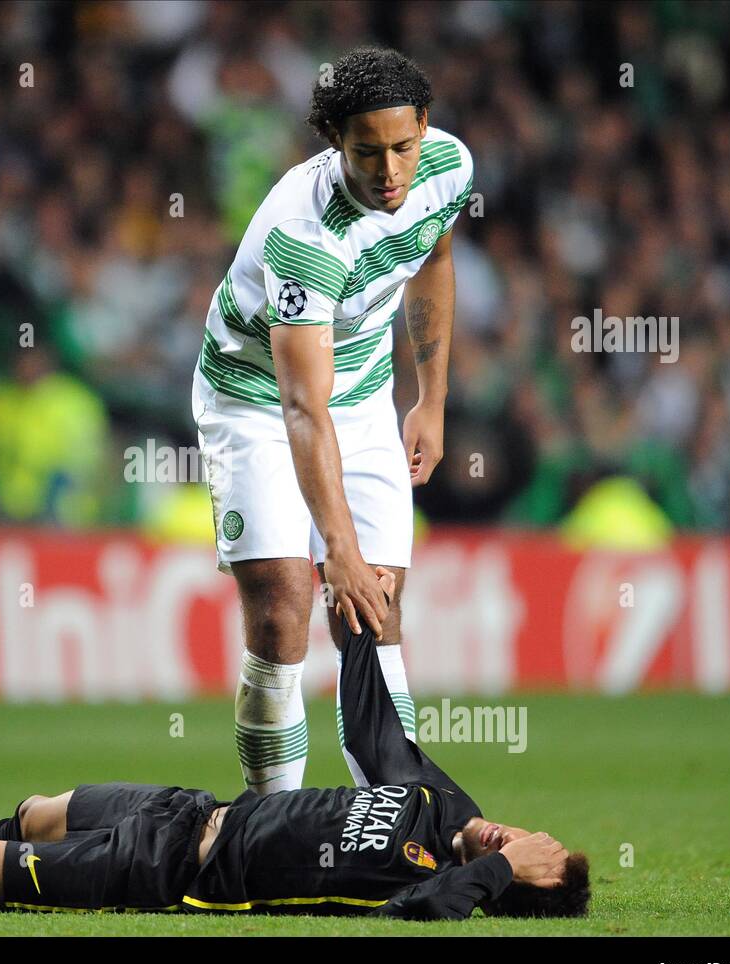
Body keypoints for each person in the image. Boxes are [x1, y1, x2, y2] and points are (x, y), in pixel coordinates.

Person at [0, 625, 589, 921]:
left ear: (509, 884)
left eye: (529, 857)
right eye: (529, 834)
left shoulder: (431, 884)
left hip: (160, 876)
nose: (514, 836)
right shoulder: (442, 804)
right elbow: (377, 728)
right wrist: (360, 616)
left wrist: (501, 875)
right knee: (36, 808)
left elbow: (421, 922)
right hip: (185, 809)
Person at [191, 46, 472, 792]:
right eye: (367, 152)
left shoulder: (446, 169)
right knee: (285, 604)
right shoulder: (304, 237)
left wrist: (431, 400)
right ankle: (265, 827)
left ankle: (394, 815)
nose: (390, 171)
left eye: (402, 146)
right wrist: (335, 549)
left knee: (374, 609)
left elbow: (433, 261)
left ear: (424, 126)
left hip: (364, 392)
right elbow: (299, 406)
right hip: (255, 400)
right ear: (333, 142)